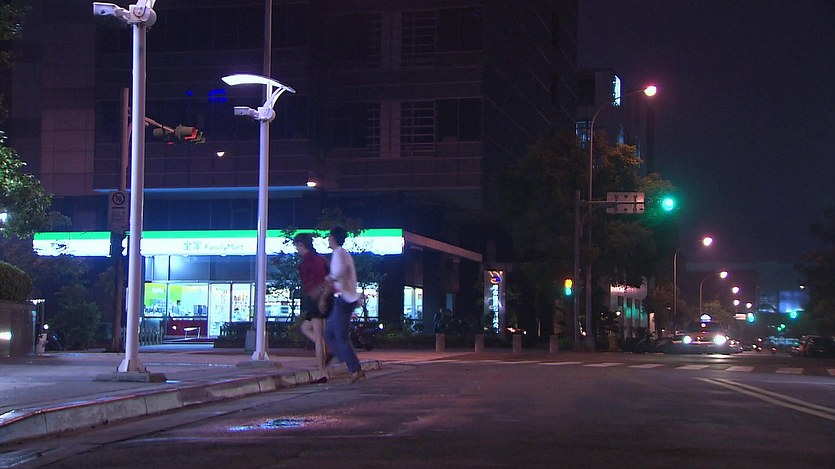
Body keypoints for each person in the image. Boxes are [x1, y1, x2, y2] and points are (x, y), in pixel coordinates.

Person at [323, 226, 366, 383]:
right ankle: (343, 357)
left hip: (344, 299)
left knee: (340, 336)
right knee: (329, 332)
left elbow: (339, 272)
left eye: (329, 237)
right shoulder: (341, 253)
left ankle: (354, 368)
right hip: (343, 298)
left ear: (334, 238)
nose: (328, 240)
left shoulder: (339, 253)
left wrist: (330, 278)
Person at [293, 233, 330, 384]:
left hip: (315, 301)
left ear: (301, 245)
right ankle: (327, 350)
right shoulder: (321, 259)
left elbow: (309, 284)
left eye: (297, 246)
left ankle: (322, 372)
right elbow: (328, 278)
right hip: (325, 298)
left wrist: (318, 296)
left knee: (318, 336)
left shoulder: (305, 264)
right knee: (306, 328)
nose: (297, 249)